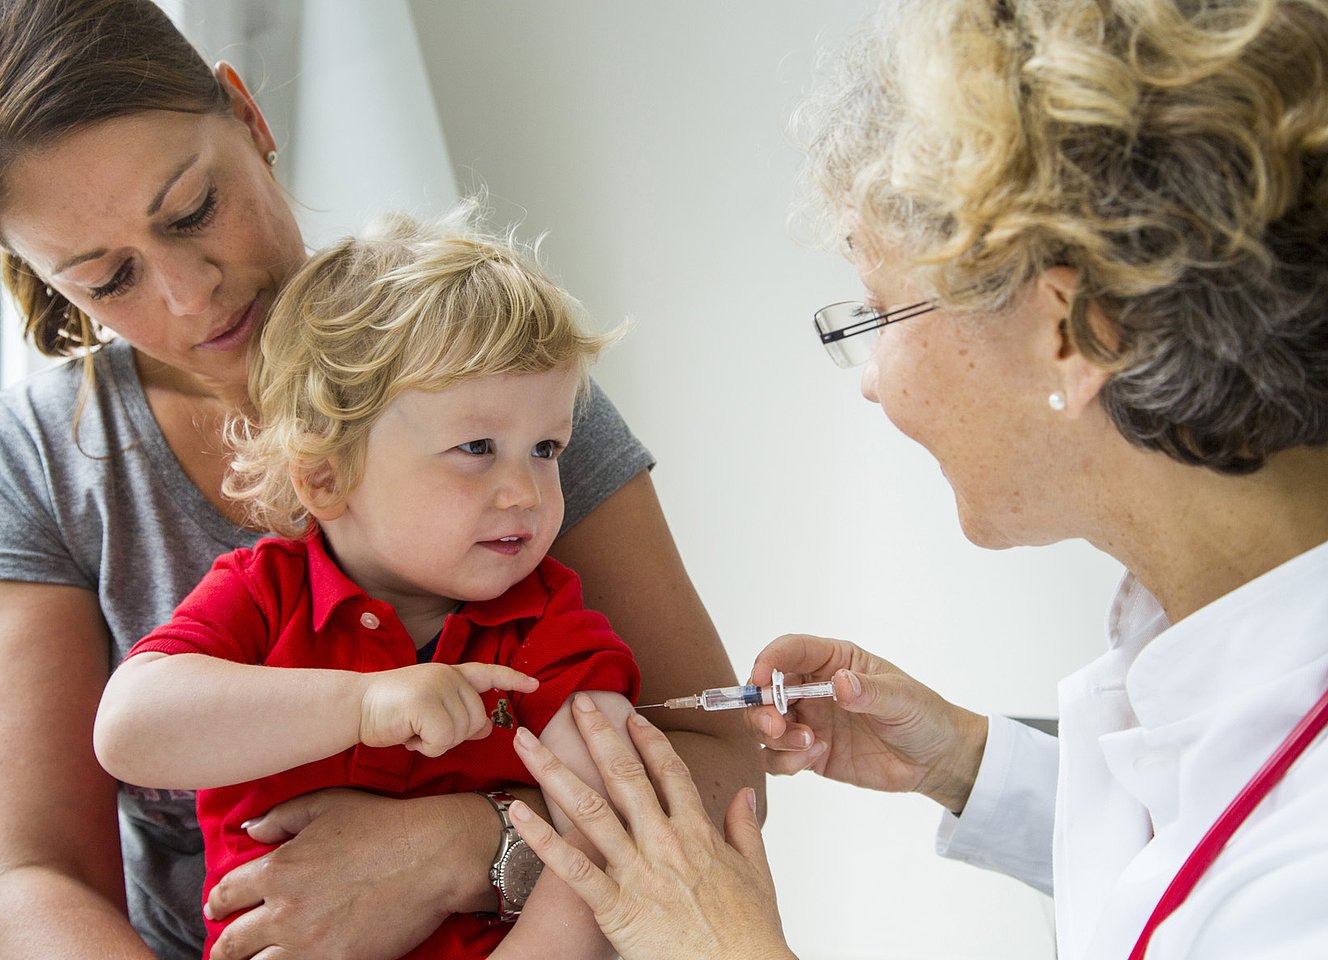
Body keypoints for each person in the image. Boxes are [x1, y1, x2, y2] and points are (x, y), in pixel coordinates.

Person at [0, 1, 762, 958]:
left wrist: (457, 849)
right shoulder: (36, 462)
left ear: (249, 117)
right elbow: (28, 881)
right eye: (108, 280)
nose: (190, 295)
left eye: (194, 210)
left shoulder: (491, 390)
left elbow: (720, 766)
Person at [499, 1, 1328, 958]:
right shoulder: (1215, 643)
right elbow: (1187, 854)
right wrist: (971, 761)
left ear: (1077, 332)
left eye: (879, 312)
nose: (873, 382)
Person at [94, 212, 640, 960]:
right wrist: (362, 705)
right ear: (325, 474)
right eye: (477, 448)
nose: (527, 491)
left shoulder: (551, 629)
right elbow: (129, 731)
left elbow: (606, 844)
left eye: (546, 448)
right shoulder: (261, 595)